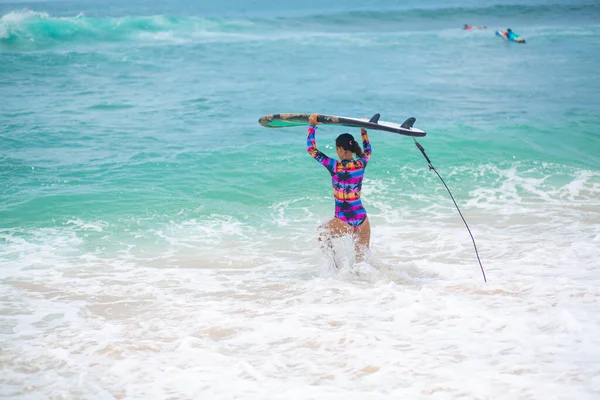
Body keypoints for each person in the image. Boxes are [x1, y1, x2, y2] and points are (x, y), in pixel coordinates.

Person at [306, 113, 372, 262]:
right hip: (362, 218)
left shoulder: (335, 167)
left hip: (344, 219)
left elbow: (311, 149)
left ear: (340, 149)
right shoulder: (361, 163)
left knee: (323, 234)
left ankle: (334, 270)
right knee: (362, 263)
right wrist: (364, 129)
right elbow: (368, 151)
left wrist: (312, 126)